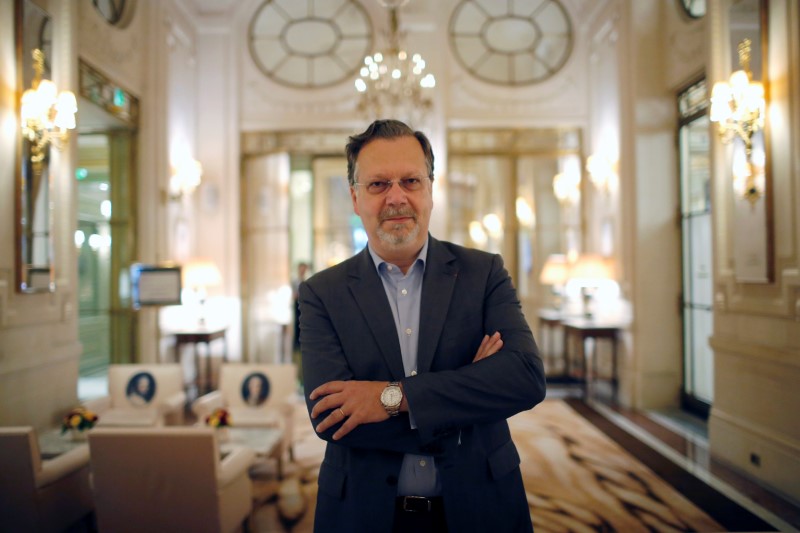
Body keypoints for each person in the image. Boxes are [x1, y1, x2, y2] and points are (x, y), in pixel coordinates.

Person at [298, 119, 546, 532]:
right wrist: (471, 388)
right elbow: (333, 418)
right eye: (379, 185)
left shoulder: (483, 273)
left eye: (410, 180)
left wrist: (390, 398)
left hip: (481, 506)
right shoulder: (321, 293)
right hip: (365, 511)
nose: (397, 197)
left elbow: (525, 378)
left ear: (430, 190)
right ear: (355, 197)